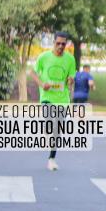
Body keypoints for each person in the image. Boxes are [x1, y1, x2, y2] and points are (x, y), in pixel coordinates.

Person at [29, 31, 76, 171]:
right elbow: (32, 73)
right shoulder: (44, 57)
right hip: (47, 98)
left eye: (63, 43)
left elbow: (71, 77)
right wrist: (42, 84)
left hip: (63, 99)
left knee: (58, 130)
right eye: (58, 43)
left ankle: (51, 159)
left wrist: (70, 81)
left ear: (66, 44)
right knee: (50, 123)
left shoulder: (70, 59)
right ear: (53, 43)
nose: (61, 46)